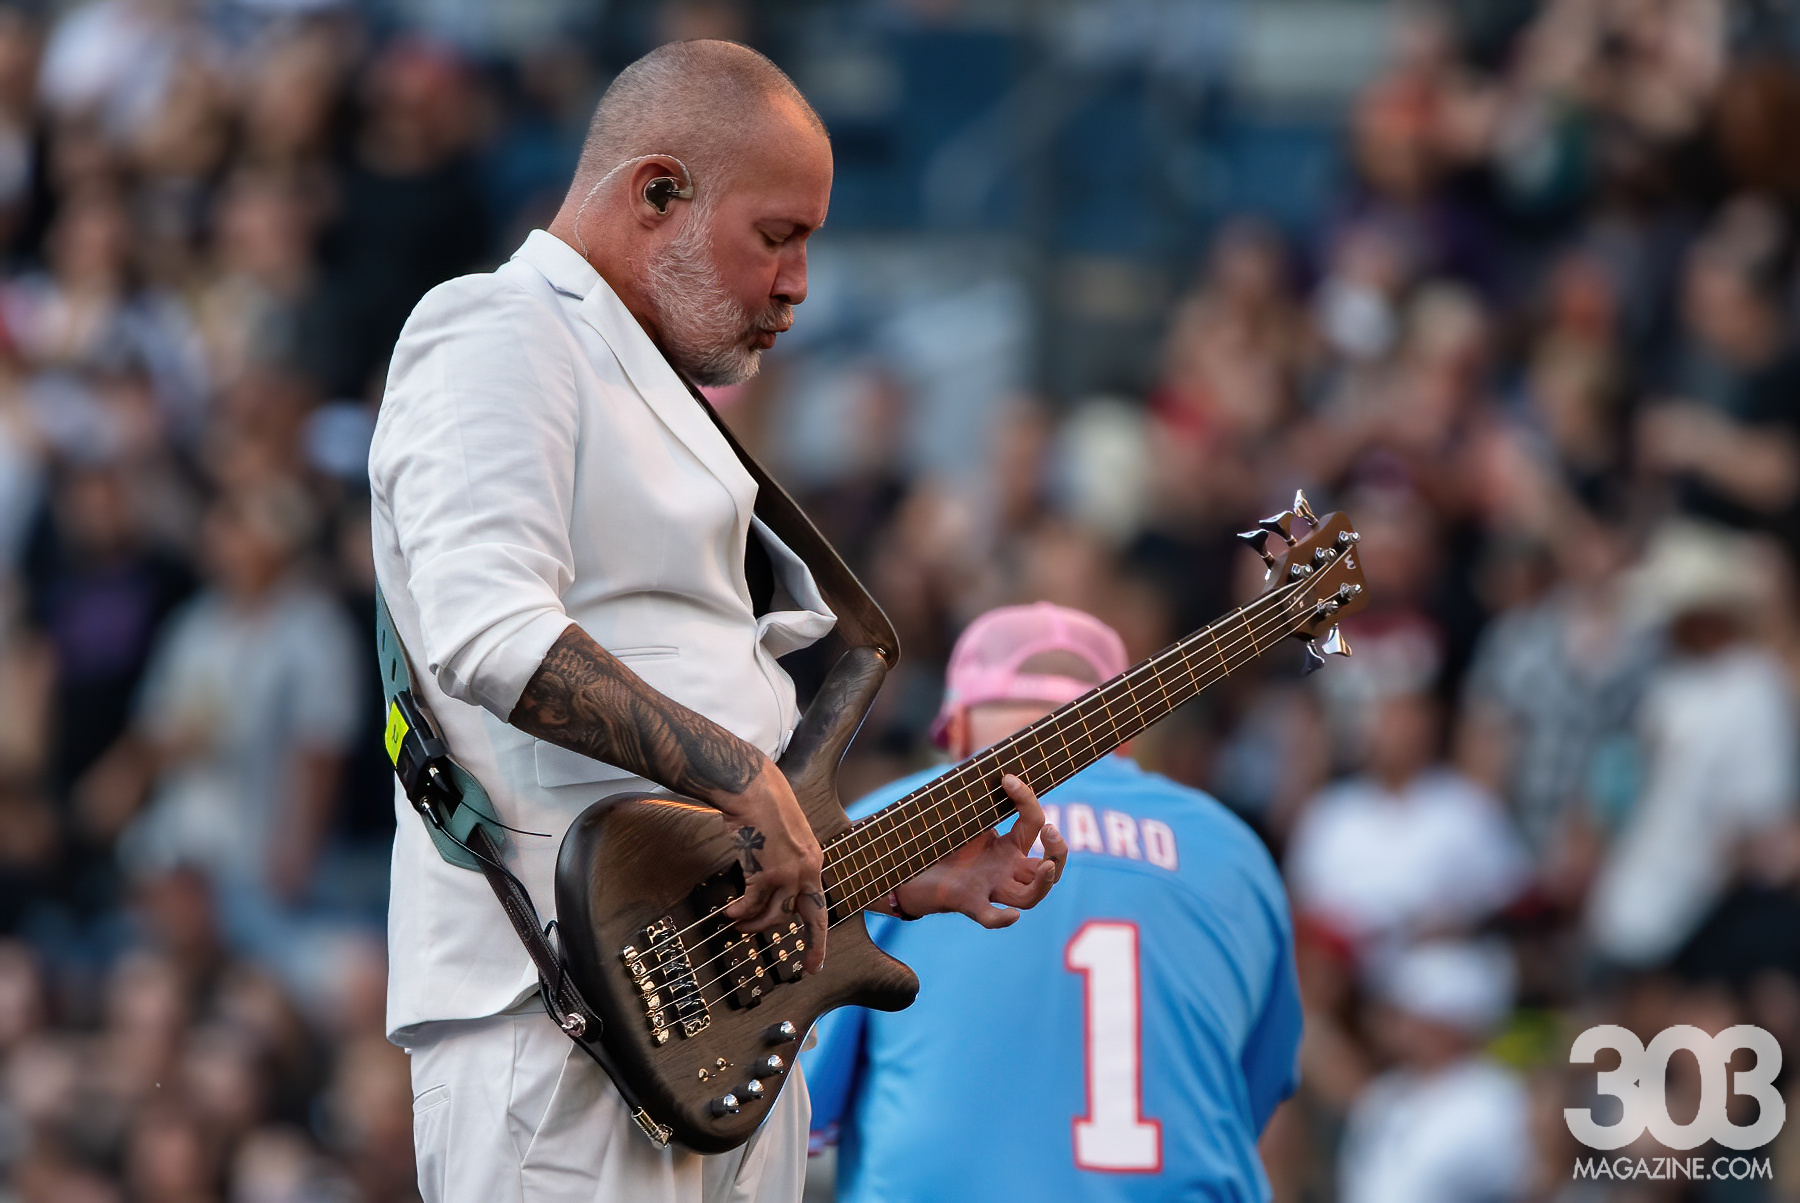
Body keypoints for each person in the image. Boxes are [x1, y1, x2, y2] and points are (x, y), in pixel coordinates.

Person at [367, 40, 1064, 1203]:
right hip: (556, 1025)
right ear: (657, 193)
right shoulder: (497, 327)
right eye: (777, 236)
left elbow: (693, 769)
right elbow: (489, 633)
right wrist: (744, 777)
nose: (799, 284)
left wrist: (858, 868)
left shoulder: (642, 382)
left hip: (726, 1028)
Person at [804, 603, 1300, 1201]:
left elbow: (802, 1108)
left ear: (955, 732)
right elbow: (1250, 1099)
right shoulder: (1235, 851)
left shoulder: (888, 833)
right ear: (1126, 732)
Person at [1336, 941, 1533, 1203]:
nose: (1397, 1025)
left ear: (1449, 1024)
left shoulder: (1497, 1100)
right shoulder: (1383, 1094)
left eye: (1410, 1014)